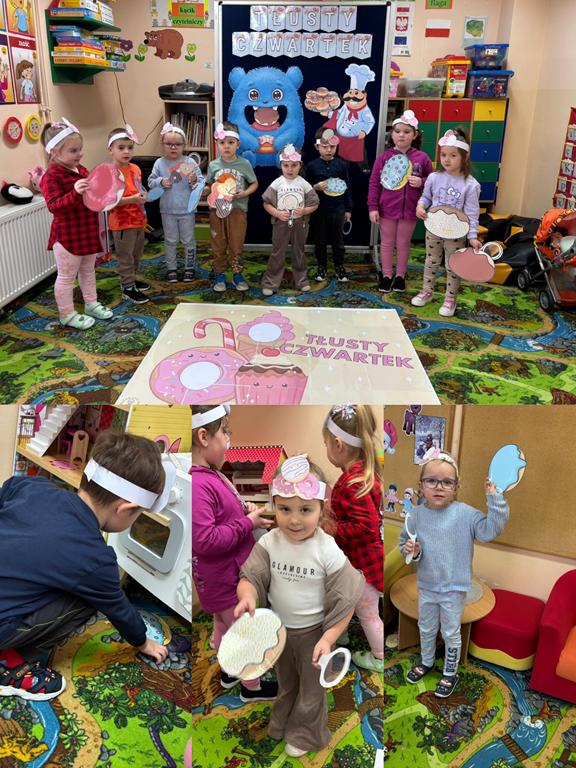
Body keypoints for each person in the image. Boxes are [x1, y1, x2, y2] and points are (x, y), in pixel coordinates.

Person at [0, 431, 170, 701]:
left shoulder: (32, 486)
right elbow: (118, 608)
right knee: (90, 598)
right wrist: (142, 642)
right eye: (138, 515)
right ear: (125, 508)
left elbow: (7, 492)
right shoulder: (96, 560)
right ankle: (9, 665)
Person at [234, 454, 365, 758]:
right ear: (274, 506)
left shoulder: (326, 548)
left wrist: (328, 639)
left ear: (321, 509)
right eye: (285, 509)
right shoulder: (269, 542)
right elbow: (250, 575)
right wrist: (248, 595)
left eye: (305, 510)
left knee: (312, 689)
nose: (294, 520)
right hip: (280, 631)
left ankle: (305, 734)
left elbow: (347, 598)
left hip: (314, 636)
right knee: (287, 682)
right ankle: (283, 721)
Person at [398, 452, 509, 698]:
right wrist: (412, 551)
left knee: (450, 632)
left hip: (454, 588)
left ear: (456, 487)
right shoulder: (415, 515)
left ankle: (450, 672)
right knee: (426, 627)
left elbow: (490, 531)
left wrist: (495, 498)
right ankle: (427, 661)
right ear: (421, 485)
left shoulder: (466, 515)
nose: (439, 487)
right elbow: (405, 546)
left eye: (447, 482)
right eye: (431, 481)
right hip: (427, 585)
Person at [191, 405, 277, 702]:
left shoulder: (211, 474)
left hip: (223, 579)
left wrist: (245, 511)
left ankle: (228, 671)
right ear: (204, 437)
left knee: (223, 625)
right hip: (225, 580)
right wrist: (247, 523)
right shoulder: (200, 483)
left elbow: (223, 514)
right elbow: (205, 539)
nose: (229, 440)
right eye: (225, 432)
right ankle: (252, 687)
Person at [323, 405, 384, 673]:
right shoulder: (361, 473)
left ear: (338, 444)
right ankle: (343, 634)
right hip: (362, 563)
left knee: (368, 613)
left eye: (326, 444)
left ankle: (380, 658)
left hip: (363, 567)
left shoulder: (352, 481)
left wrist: (334, 528)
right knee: (346, 600)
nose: (327, 449)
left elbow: (365, 526)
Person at [40, 118, 113, 330]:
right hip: (67, 237)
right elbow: (54, 206)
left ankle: (91, 303)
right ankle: (67, 314)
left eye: (80, 149)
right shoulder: (51, 176)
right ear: (54, 152)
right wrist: (74, 192)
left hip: (87, 231)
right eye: (73, 151)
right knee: (66, 277)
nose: (79, 154)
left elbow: (92, 194)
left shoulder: (80, 169)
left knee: (88, 271)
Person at [411, 128, 481, 317]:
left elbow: (472, 213)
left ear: (464, 157)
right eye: (443, 155)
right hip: (434, 229)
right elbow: (426, 197)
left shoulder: (470, 185)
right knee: (431, 260)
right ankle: (426, 291)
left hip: (456, 233)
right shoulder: (434, 178)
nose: (447, 160)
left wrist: (473, 236)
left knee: (452, 265)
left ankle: (450, 299)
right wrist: (420, 206)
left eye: (453, 155)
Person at [368, 110, 433, 293]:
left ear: (415, 135)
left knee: (403, 243)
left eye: (406, 131)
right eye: (397, 131)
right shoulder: (384, 157)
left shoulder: (422, 158)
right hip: (387, 209)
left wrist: (422, 181)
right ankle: (387, 275)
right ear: (392, 134)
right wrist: (373, 207)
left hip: (410, 210)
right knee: (387, 243)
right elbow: (374, 183)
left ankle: (400, 277)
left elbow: (433, 180)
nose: (401, 135)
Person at [205, 121, 258, 293]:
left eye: (230, 142)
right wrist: (202, 190)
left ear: (238, 144)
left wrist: (245, 193)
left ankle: (237, 274)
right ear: (217, 144)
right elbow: (209, 186)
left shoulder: (244, 164)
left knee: (236, 244)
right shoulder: (213, 165)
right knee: (218, 244)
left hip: (237, 211)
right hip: (217, 211)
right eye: (222, 142)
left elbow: (254, 183)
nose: (226, 146)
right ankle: (220, 274)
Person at [148, 121, 203, 283]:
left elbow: (200, 184)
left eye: (177, 144)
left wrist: (194, 180)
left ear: (184, 145)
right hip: (168, 210)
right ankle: (171, 268)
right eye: (169, 144)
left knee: (188, 240)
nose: (173, 147)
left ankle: (189, 268)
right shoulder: (159, 163)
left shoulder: (189, 162)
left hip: (187, 210)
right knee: (170, 241)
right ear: (163, 145)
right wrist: (160, 181)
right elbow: (150, 182)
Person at [261, 144, 319, 296]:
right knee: (277, 252)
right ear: (281, 165)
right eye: (286, 165)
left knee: (299, 252)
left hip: (300, 223)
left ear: (300, 165)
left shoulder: (303, 183)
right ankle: (271, 282)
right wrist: (277, 213)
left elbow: (315, 203)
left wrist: (305, 211)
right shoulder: (277, 183)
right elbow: (266, 203)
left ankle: (301, 281)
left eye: (294, 165)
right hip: (281, 223)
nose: (290, 169)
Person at [107, 125, 151, 305]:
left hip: (138, 220)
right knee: (125, 256)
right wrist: (132, 199)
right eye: (121, 147)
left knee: (136, 254)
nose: (126, 151)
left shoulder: (135, 168)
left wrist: (144, 195)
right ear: (110, 150)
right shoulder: (109, 173)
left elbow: (138, 188)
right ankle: (127, 287)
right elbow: (109, 201)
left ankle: (131, 280)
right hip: (122, 223)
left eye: (130, 147)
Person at [306, 127, 352, 283]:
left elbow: (348, 187)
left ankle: (339, 266)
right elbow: (305, 188)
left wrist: (348, 209)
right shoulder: (311, 166)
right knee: (320, 241)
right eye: (324, 146)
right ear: (317, 146)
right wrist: (315, 187)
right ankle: (322, 266)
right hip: (318, 210)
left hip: (338, 209)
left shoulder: (342, 165)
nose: (328, 150)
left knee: (338, 241)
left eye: (332, 147)